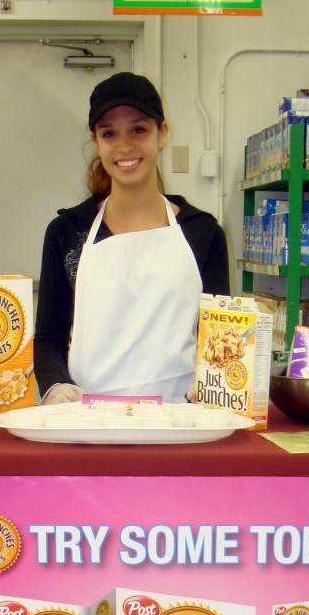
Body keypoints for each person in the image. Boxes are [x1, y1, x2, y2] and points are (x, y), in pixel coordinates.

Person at [34, 71, 230, 404]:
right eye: (110, 133)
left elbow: (222, 338)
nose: (125, 146)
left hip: (179, 422)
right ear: (96, 140)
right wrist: (55, 386)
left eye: (138, 130)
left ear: (162, 134)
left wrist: (214, 382)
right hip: (89, 424)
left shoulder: (203, 234)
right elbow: (49, 339)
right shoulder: (67, 233)